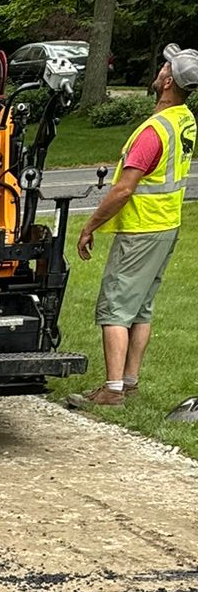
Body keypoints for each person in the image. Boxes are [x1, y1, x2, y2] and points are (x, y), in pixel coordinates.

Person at [75, 43, 195, 406]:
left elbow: (124, 189)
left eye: (164, 67)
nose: (159, 69)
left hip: (141, 230)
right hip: (167, 226)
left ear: (169, 80)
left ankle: (111, 391)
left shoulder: (153, 131)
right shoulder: (185, 120)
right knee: (141, 308)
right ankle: (129, 382)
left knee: (115, 308)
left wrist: (90, 225)